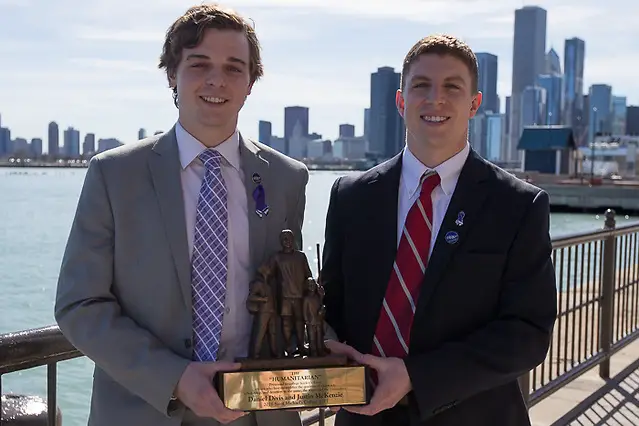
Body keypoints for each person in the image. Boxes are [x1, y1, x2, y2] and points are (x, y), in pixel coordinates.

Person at [54, 4, 308, 426]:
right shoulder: (114, 174)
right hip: (145, 409)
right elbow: (79, 304)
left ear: (250, 83)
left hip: (258, 413)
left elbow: (288, 294)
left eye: (233, 67)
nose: (216, 80)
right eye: (199, 64)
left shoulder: (286, 179)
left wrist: (327, 353)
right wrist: (175, 378)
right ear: (172, 75)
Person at [321, 34, 557, 426]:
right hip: (363, 415)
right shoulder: (351, 197)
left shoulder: (518, 205)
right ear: (400, 101)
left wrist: (416, 377)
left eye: (452, 87)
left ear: (474, 104)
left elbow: (528, 334)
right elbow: (331, 305)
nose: (436, 99)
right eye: (421, 86)